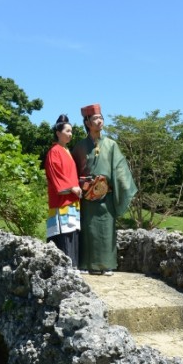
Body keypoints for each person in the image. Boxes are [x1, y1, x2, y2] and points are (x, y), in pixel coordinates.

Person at [72, 103, 137, 274]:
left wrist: (124, 186)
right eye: (95, 118)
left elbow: (120, 167)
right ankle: (85, 264)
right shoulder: (79, 147)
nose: (99, 121)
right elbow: (73, 171)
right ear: (87, 122)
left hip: (106, 196)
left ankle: (107, 264)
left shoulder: (111, 144)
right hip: (87, 197)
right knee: (88, 230)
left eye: (101, 118)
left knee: (107, 230)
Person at [44, 114, 82, 267]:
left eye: (71, 131)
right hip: (62, 200)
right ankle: (65, 267)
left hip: (72, 200)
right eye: (67, 131)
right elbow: (56, 175)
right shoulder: (54, 151)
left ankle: (73, 266)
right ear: (58, 133)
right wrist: (71, 187)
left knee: (72, 233)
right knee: (64, 234)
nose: (70, 134)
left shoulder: (67, 151)